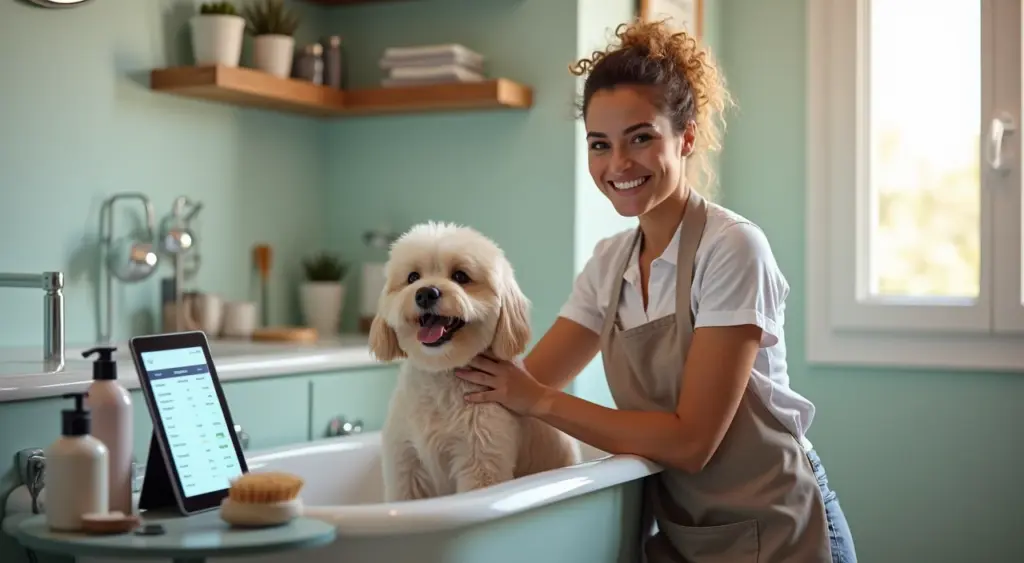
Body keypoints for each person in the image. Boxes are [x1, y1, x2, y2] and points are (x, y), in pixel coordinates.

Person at [453, 18, 858, 563]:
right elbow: (522, 382)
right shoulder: (608, 264)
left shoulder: (733, 249)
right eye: (600, 144)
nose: (617, 164)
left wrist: (542, 402)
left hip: (781, 529)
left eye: (640, 138)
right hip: (684, 534)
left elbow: (692, 442)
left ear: (686, 136)